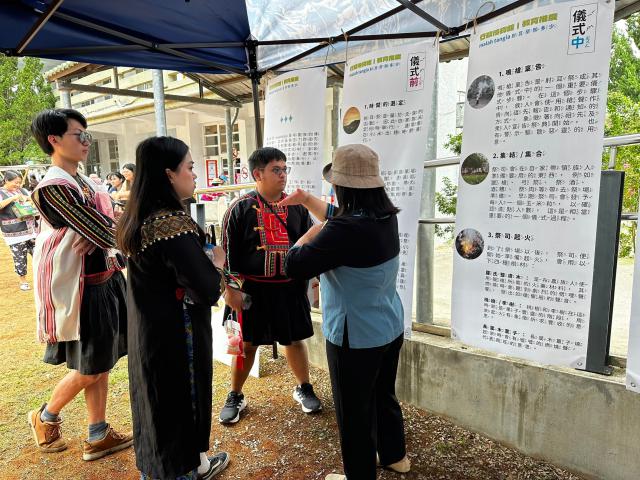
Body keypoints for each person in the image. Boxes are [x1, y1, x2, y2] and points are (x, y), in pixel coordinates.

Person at [283, 144, 410, 480]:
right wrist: (308, 200)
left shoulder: (341, 231)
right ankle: (395, 456)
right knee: (384, 395)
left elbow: (293, 264)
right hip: (389, 326)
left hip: (355, 338)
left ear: (343, 188)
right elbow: (341, 219)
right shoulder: (384, 217)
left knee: (354, 414)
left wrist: (312, 230)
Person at [116, 136, 230, 480]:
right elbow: (207, 288)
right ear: (169, 174)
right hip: (177, 338)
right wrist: (219, 264)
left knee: (155, 405)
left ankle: (170, 469)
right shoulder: (170, 224)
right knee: (179, 407)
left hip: (149, 332)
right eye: (190, 167)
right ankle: (184, 471)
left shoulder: (137, 218)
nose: (194, 175)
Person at [27, 108, 132, 461]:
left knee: (101, 361)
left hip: (102, 277)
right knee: (93, 364)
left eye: (86, 134)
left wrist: (101, 231)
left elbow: (105, 225)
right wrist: (101, 231)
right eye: (78, 134)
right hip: (82, 286)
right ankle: (45, 416)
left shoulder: (81, 182)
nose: (86, 141)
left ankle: (97, 432)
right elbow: (105, 228)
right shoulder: (54, 187)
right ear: (54, 140)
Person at [218, 146, 322, 424]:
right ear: (257, 173)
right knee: (246, 344)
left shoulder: (298, 208)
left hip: (289, 288)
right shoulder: (239, 209)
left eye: (285, 169)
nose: (283, 175)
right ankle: (236, 394)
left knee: (294, 339)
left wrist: (315, 279)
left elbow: (312, 242)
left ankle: (304, 387)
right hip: (252, 291)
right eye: (276, 169)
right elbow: (227, 255)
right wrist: (230, 289)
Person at [0, 170, 38, 290]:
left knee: (39, 255)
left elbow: (33, 201)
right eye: (15, 183)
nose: (18, 185)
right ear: (6, 180)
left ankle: (41, 278)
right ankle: (23, 282)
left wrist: (28, 199)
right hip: (14, 233)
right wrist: (13, 198)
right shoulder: (1, 192)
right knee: (20, 258)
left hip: (31, 230)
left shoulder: (23, 190)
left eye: (19, 183)